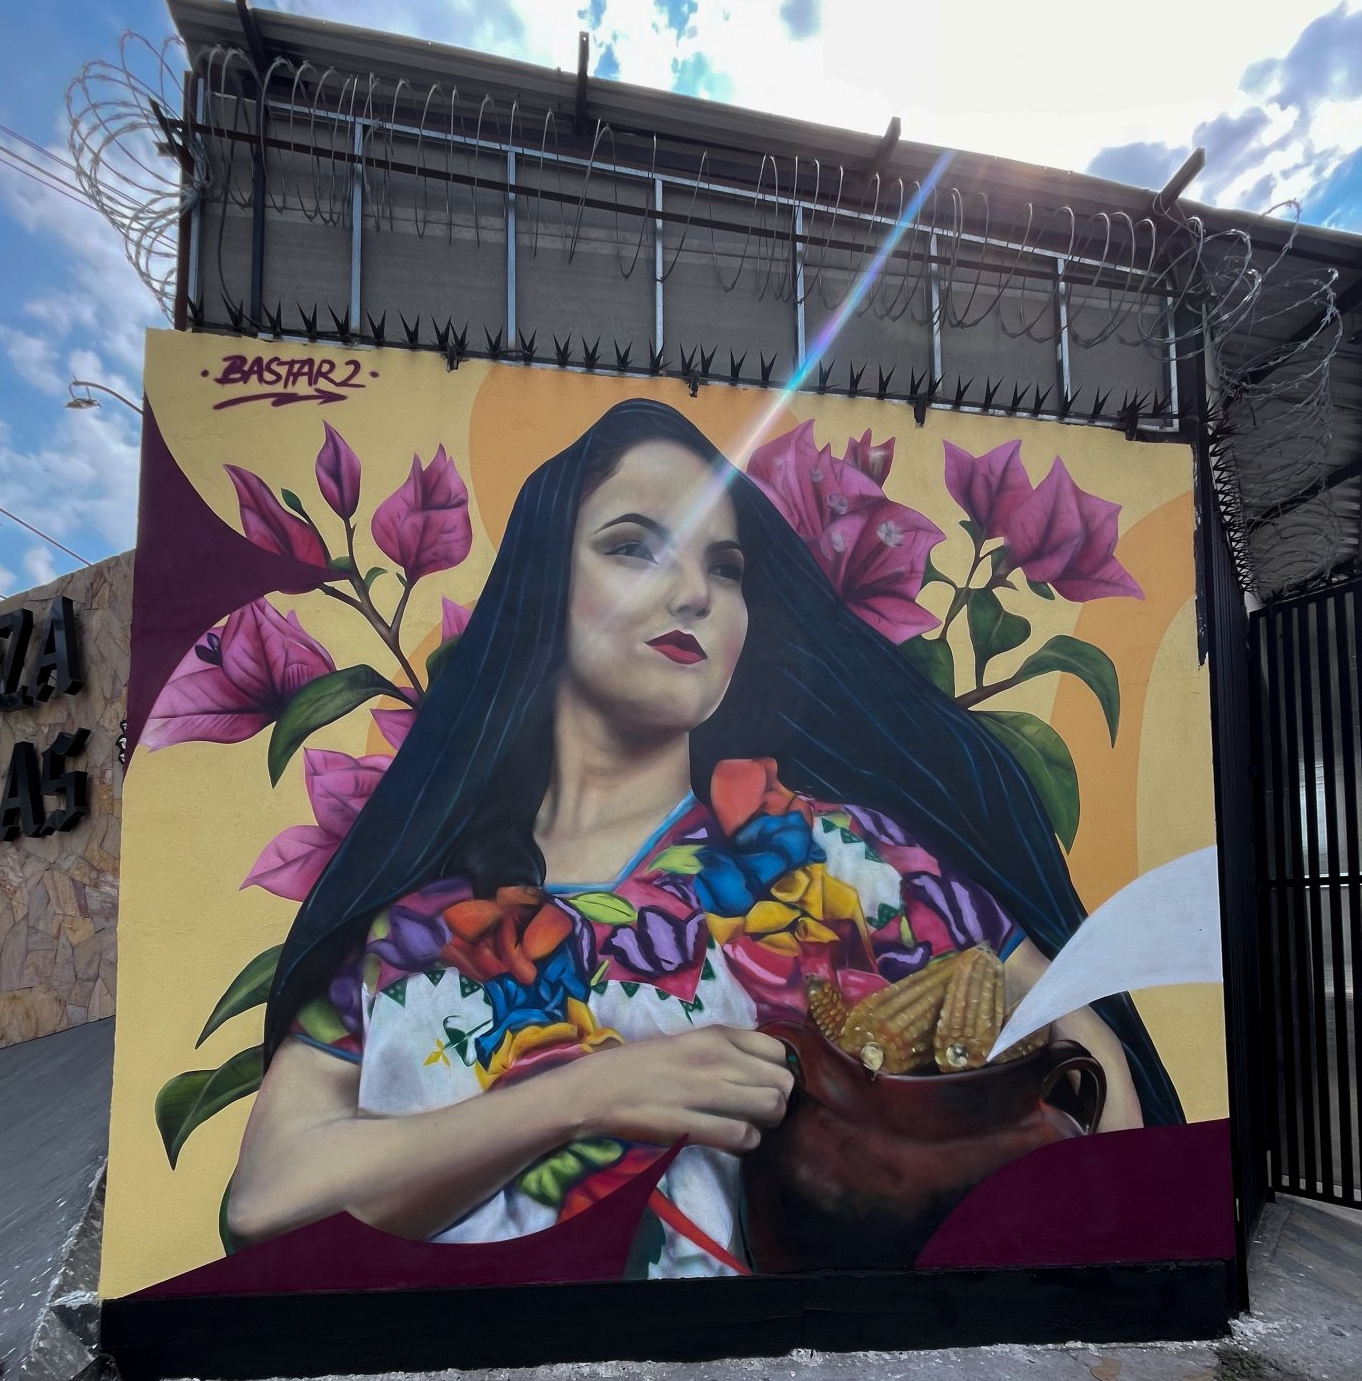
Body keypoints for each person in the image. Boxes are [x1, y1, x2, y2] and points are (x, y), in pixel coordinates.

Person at [228, 400, 1176, 1273]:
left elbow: (1081, 1035)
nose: (694, 592)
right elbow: (266, 1204)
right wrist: (586, 1096)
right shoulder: (426, 930)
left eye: (725, 568)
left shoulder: (829, 858)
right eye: (634, 548)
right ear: (541, 586)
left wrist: (1100, 1265)